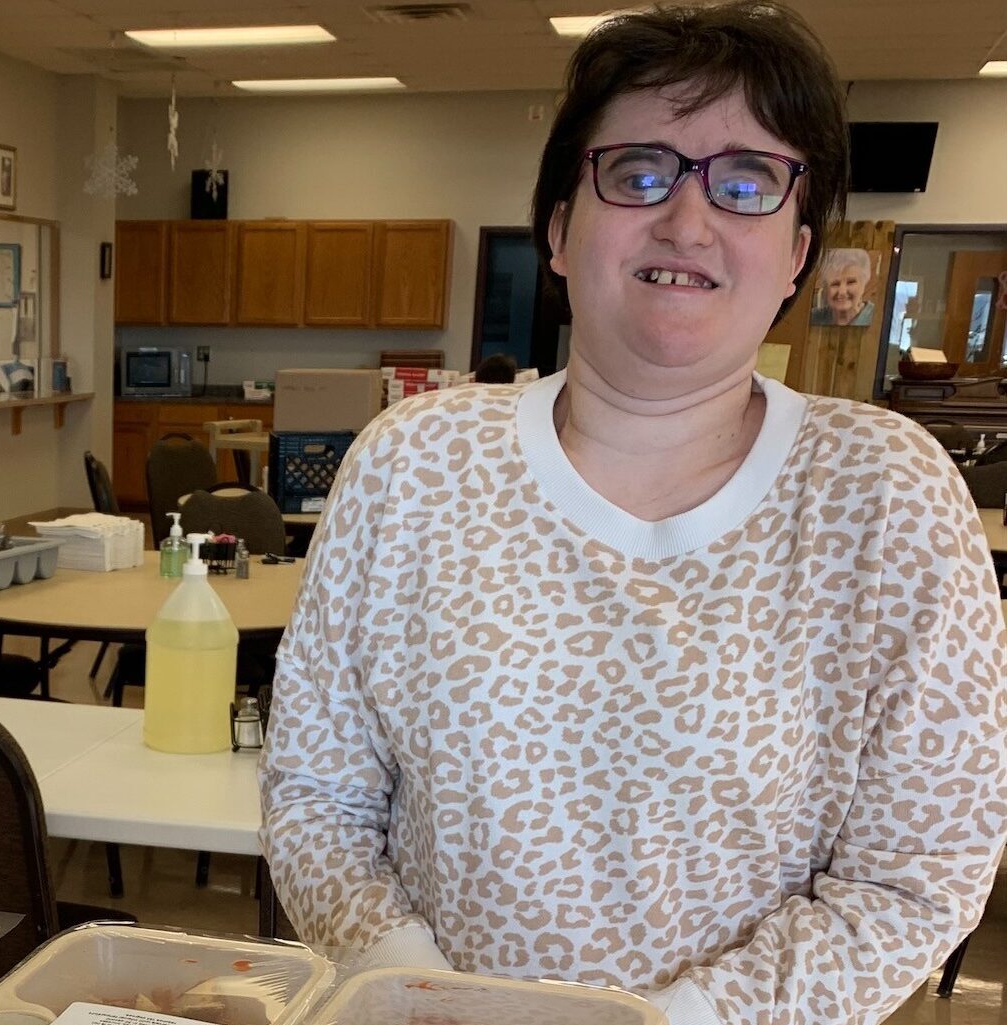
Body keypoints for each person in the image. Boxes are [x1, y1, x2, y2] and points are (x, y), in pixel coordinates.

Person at [259, 4, 1007, 1025]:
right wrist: (421, 994)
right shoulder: (412, 463)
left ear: (796, 251)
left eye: (745, 181)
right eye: (637, 171)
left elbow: (916, 873)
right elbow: (315, 795)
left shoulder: (886, 495)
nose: (685, 220)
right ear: (561, 228)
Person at [810, 247, 875, 326]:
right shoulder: (812, 318)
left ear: (863, 284)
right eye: (835, 284)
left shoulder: (876, 317)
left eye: (850, 282)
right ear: (826, 288)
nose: (842, 291)